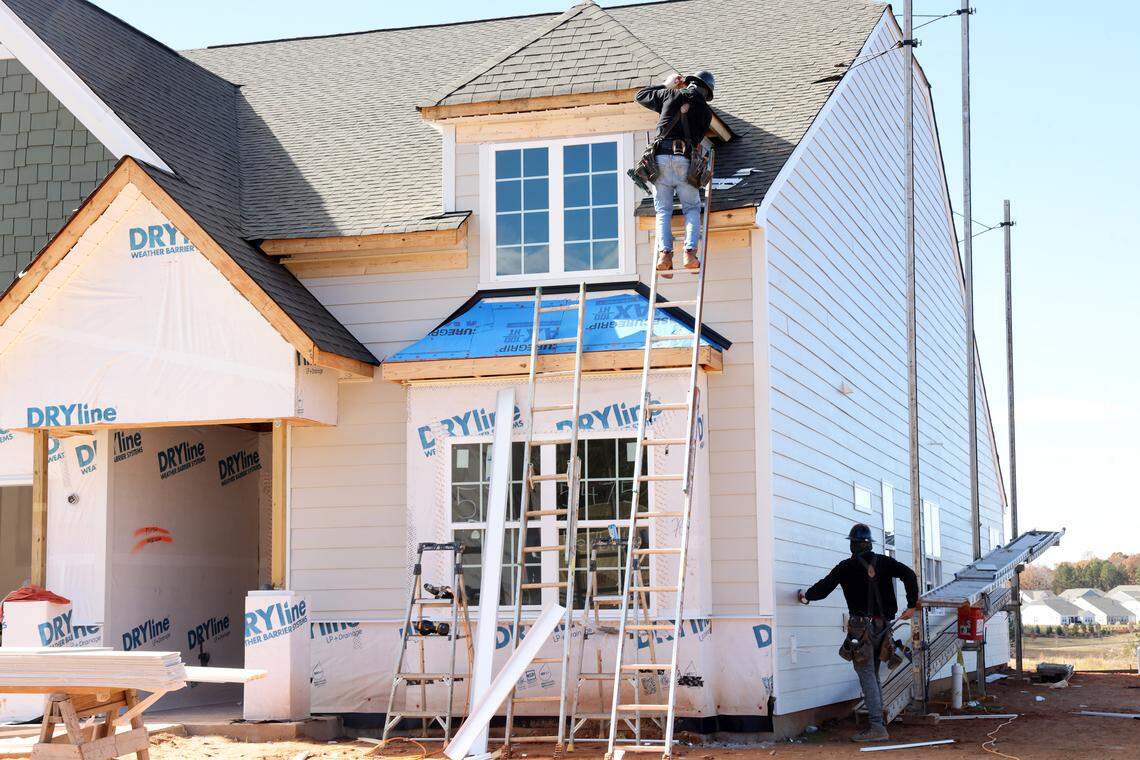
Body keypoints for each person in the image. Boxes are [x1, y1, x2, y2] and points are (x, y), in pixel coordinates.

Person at [797, 523, 920, 743]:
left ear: (853, 545)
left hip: (860, 629)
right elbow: (909, 575)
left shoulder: (846, 567)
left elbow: (824, 588)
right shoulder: (884, 562)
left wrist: (806, 596)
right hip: (884, 627)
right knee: (872, 674)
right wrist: (912, 605)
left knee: (866, 675)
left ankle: (877, 727)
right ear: (869, 543)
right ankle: (878, 723)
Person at [635, 70, 715, 277]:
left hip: (660, 160)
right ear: (706, 92)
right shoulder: (706, 112)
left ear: (689, 83)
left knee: (663, 211)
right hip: (686, 162)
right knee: (691, 208)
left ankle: (665, 256)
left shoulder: (670, 95)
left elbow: (640, 96)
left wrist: (667, 85)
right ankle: (689, 254)